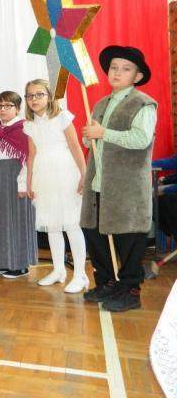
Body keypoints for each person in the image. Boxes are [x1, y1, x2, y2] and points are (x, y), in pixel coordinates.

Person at [81, 46, 157, 312]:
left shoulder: (143, 104)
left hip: (126, 187)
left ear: (137, 76)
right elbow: (91, 141)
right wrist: (89, 136)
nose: (117, 72)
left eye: (126, 69)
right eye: (114, 67)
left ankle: (130, 290)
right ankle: (106, 282)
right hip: (98, 184)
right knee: (96, 236)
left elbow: (141, 139)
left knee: (128, 239)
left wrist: (104, 133)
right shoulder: (100, 104)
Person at [23, 79, 88, 293]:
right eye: (30, 95)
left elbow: (75, 146)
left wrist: (84, 174)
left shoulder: (62, 117)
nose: (34, 99)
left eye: (39, 94)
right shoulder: (30, 124)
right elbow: (32, 155)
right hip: (44, 175)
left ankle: (80, 274)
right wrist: (29, 180)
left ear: (49, 96)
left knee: (71, 223)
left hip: (65, 172)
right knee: (52, 224)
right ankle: (58, 269)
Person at [0, 91, 37, 278]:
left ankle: (19, 264)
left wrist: (23, 184)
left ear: (18, 108)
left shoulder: (24, 129)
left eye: (8, 106)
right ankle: (0, 262)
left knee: (17, 220)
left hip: (15, 178)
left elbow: (29, 159)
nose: (2, 109)